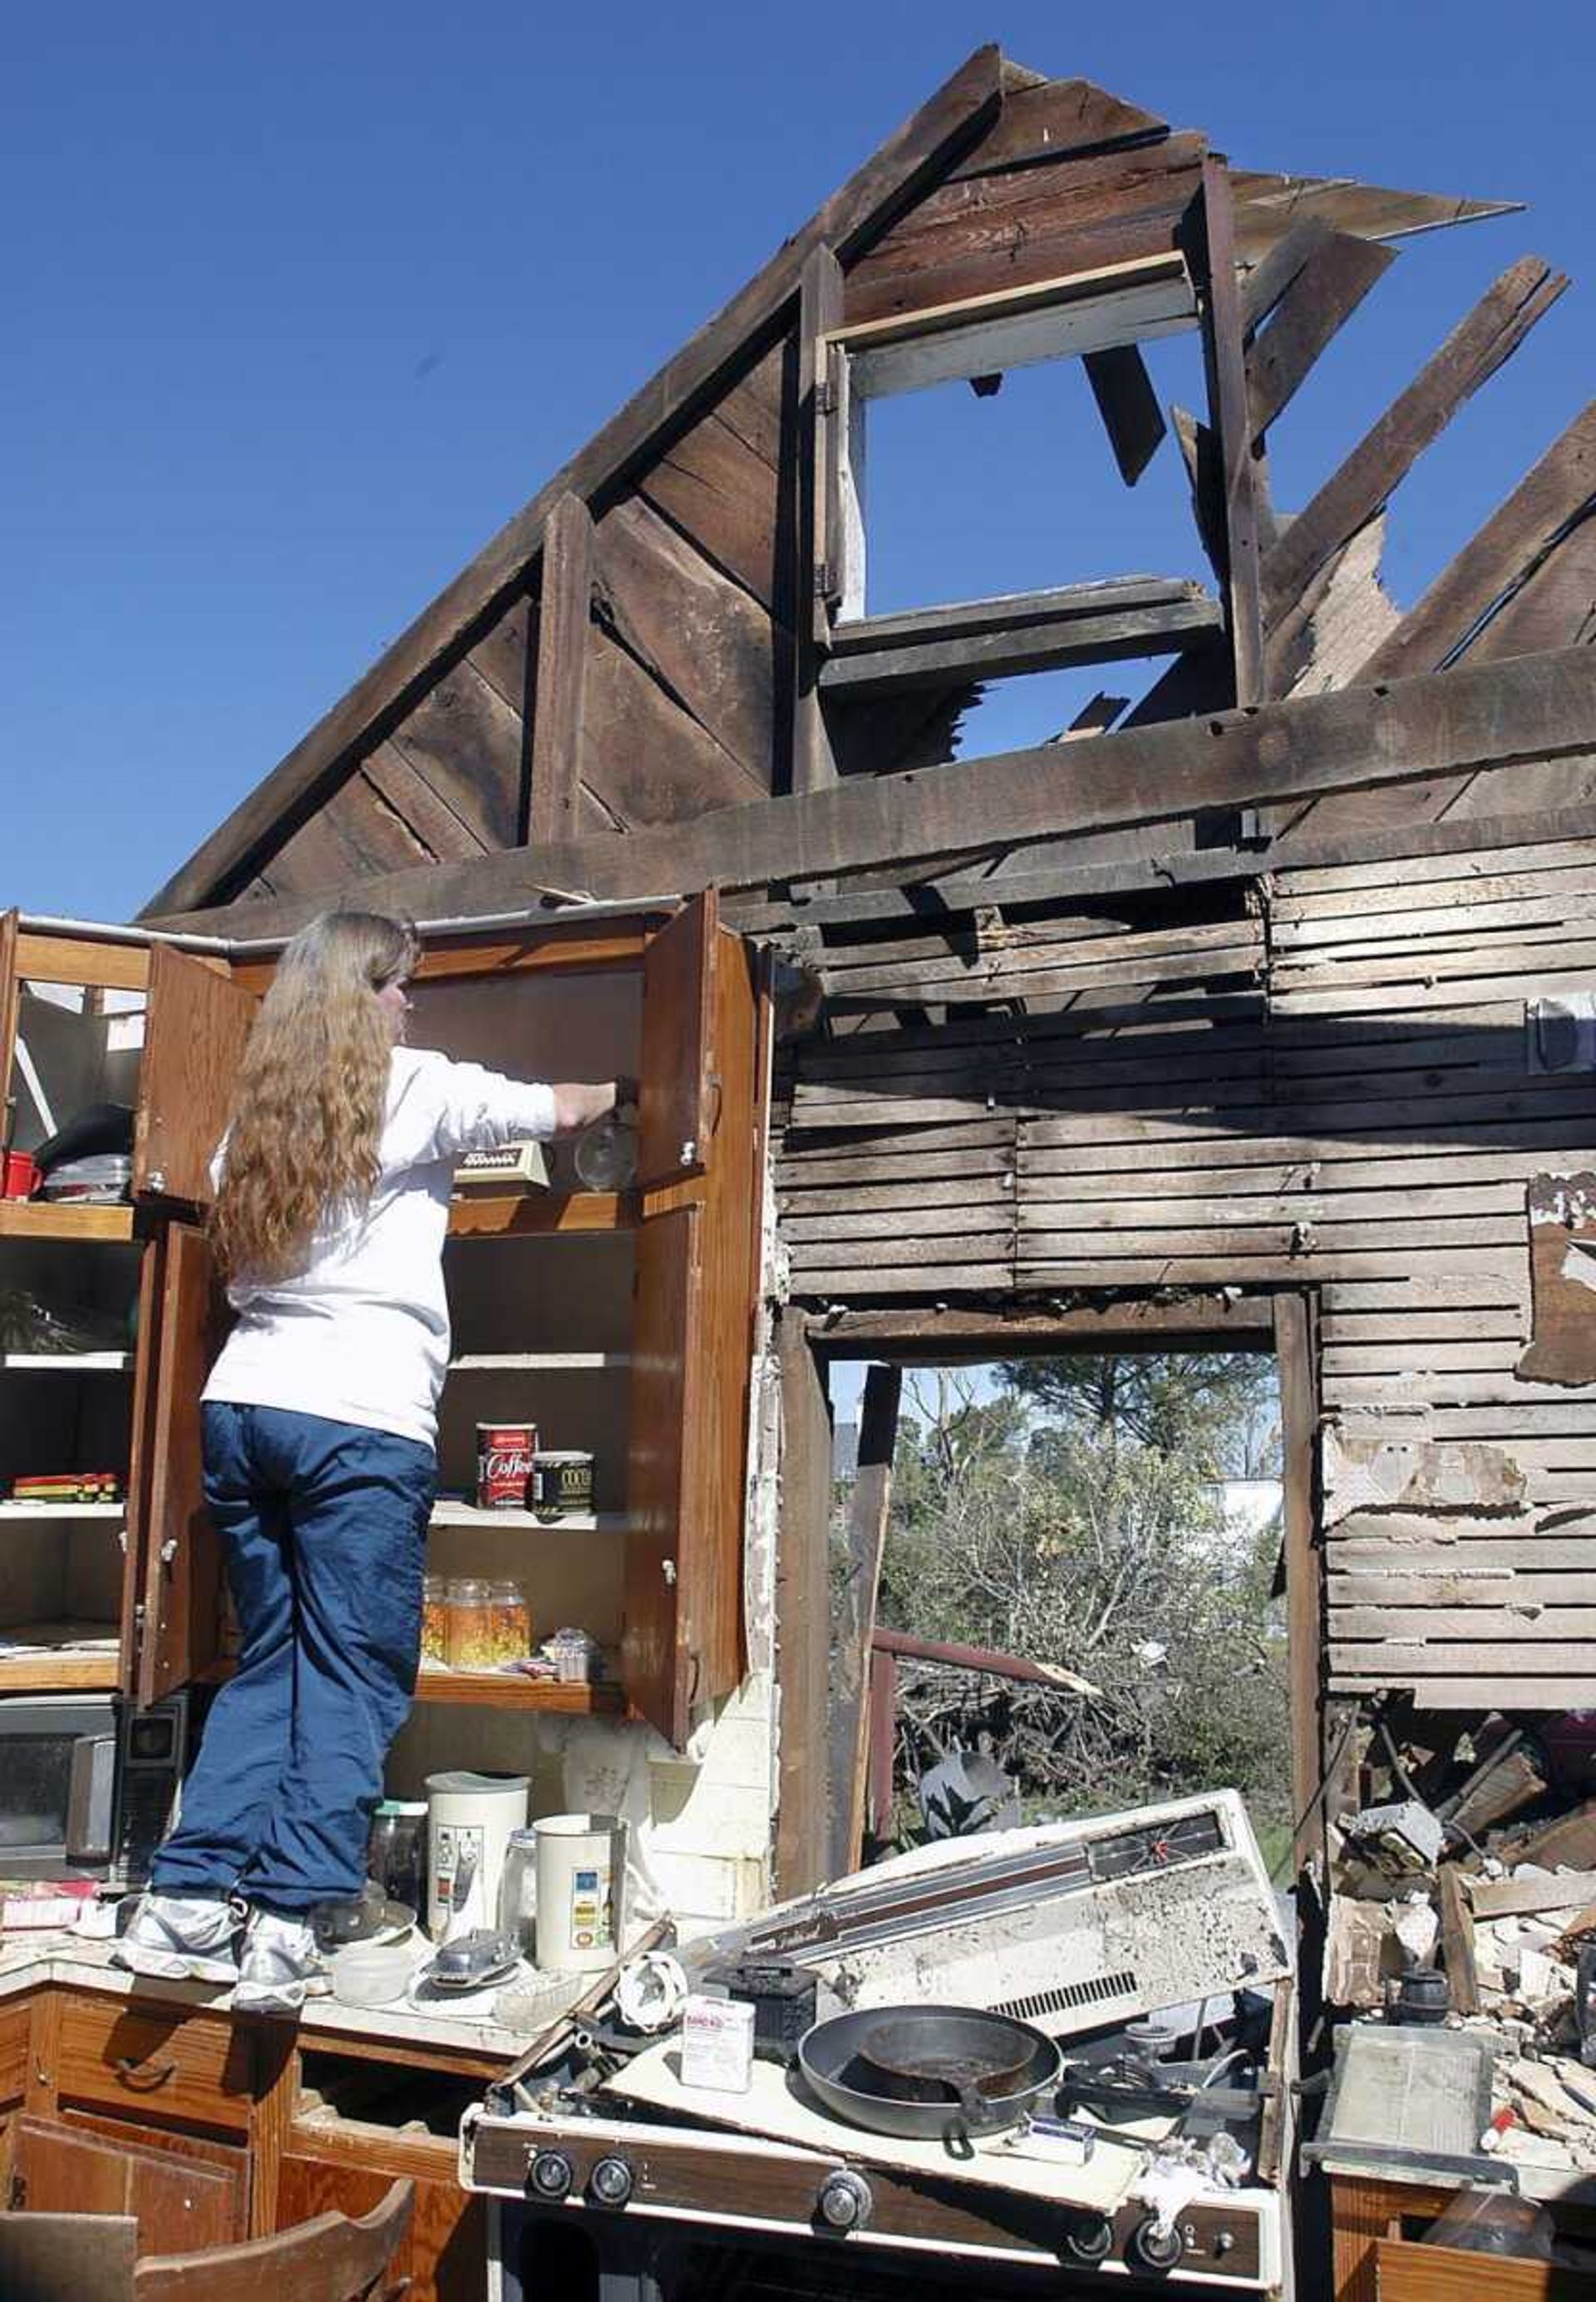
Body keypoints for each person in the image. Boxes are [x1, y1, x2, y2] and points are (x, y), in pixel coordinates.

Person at [115, 910, 619, 2011]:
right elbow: (560, 1108)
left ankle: (188, 1899)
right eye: (397, 986)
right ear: (360, 997)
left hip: (247, 1408)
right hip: (358, 1419)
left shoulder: (254, 1124)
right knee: (353, 1675)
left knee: (276, 1663)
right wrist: (637, 1092)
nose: (411, 1005)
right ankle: (291, 1921)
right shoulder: (424, 1087)